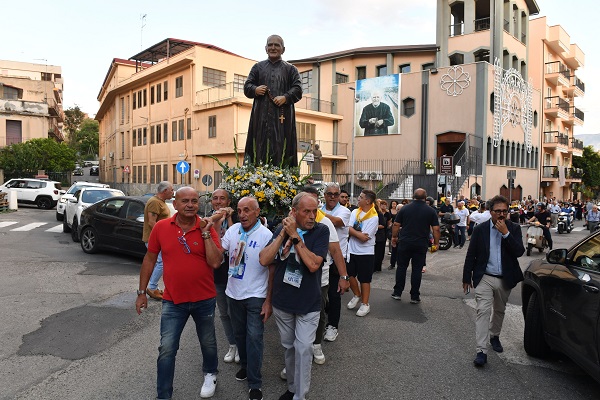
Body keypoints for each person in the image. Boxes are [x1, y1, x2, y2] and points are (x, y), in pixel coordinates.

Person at [135, 187, 222, 399]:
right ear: (175, 203)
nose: (190, 205)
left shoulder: (206, 228)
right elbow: (150, 258)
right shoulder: (162, 228)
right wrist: (141, 291)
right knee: (166, 349)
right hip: (173, 301)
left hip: (204, 299)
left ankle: (210, 373)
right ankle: (164, 395)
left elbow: (215, 262)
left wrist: (205, 233)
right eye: (185, 201)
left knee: (208, 341)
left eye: (194, 201)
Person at [259, 192, 329, 400]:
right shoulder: (281, 229)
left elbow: (313, 264)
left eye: (314, 211)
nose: (311, 216)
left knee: (304, 348)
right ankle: (292, 387)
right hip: (283, 302)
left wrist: (296, 237)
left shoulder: (321, 231)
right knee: (289, 347)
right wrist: (284, 234)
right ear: (294, 212)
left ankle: (300, 395)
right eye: (306, 211)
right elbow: (264, 260)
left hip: (309, 303)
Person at [462, 195, 525, 367]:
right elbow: (471, 254)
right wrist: (466, 276)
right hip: (485, 277)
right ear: (491, 212)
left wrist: (506, 234)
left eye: (505, 211)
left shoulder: (513, 228)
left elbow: (519, 251)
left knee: (499, 310)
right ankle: (481, 350)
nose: (502, 214)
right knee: (483, 310)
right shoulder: (480, 229)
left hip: (505, 278)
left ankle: (495, 335)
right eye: (498, 211)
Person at [220, 197, 273, 400]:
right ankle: (245, 365)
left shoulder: (265, 234)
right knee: (239, 335)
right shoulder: (233, 231)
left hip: (255, 295)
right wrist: (214, 224)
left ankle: (255, 383)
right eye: (239, 210)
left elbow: (272, 269)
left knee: (254, 338)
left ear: (257, 212)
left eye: (247, 210)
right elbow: (219, 252)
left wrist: (268, 300)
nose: (242, 214)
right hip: (233, 293)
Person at [299, 186, 349, 364]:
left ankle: (316, 344)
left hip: (320, 279)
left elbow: (335, 251)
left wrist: (344, 276)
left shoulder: (325, 223)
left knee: (318, 314)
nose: (312, 212)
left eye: (314, 205)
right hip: (296, 280)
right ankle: (295, 358)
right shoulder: (291, 222)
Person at [244, 35, 302, 168]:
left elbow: (298, 89)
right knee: (259, 147)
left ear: (283, 49)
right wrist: (255, 89)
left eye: (277, 45)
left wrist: (286, 97)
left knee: (282, 147)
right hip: (260, 118)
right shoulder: (257, 68)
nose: (273, 48)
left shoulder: (291, 69)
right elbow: (247, 87)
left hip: (283, 119)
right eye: (270, 45)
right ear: (265, 48)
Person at [390, 188, 440, 303]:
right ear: (425, 197)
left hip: (405, 242)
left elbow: (396, 224)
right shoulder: (430, 211)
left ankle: (397, 292)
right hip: (421, 243)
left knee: (401, 267)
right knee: (417, 269)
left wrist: (394, 237)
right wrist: (436, 243)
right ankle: (414, 296)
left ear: (413, 196)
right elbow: (436, 229)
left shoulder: (405, 208)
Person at [207, 189, 239, 363]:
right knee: (224, 313)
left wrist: (228, 217)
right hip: (217, 272)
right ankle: (232, 344)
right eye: (215, 198)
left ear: (228, 202)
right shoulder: (207, 220)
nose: (218, 202)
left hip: (234, 272)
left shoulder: (237, 220)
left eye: (222, 199)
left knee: (236, 311)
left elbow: (236, 239)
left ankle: (240, 345)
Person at [321, 183, 352, 342]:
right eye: (329, 194)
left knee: (334, 294)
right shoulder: (319, 208)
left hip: (337, 258)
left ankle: (333, 326)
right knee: (320, 293)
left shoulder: (345, 211)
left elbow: (336, 222)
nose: (332, 197)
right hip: (320, 257)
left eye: (335, 194)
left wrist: (313, 212)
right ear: (325, 195)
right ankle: (322, 319)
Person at [346, 189, 379, 317]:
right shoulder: (355, 212)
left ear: (368, 201)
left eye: (361, 197)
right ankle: (357, 295)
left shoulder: (374, 217)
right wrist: (355, 233)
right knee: (350, 275)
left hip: (366, 253)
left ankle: (365, 304)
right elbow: (347, 229)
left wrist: (353, 232)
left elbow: (364, 237)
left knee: (365, 279)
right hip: (351, 250)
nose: (358, 199)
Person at [142, 181, 174, 300]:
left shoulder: (160, 202)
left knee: (160, 263)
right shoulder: (154, 202)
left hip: (158, 239)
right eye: (171, 190)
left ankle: (153, 286)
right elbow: (151, 222)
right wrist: (163, 237)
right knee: (162, 263)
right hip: (154, 239)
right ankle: (152, 287)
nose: (173, 192)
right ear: (164, 191)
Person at [373, 199, 387, 273]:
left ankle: (377, 267)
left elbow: (383, 225)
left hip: (379, 236)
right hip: (373, 236)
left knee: (378, 253)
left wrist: (372, 227)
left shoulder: (379, 213)